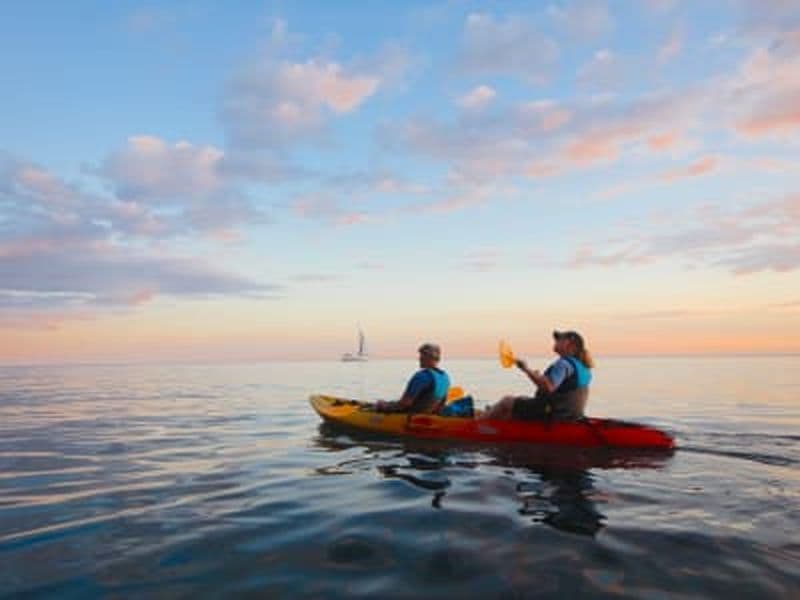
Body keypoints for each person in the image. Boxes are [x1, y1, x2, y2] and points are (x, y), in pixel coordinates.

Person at [482, 330, 594, 421]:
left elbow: (549, 387)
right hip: (572, 416)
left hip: (554, 415)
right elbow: (560, 387)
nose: (556, 340)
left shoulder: (563, 364)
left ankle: (475, 425)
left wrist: (526, 369)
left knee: (506, 401)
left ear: (571, 345)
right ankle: (494, 420)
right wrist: (536, 376)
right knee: (519, 402)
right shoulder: (582, 366)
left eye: (560, 338)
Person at [374, 343, 450, 414]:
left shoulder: (422, 376)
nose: (419, 358)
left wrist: (385, 407)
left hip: (411, 415)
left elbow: (405, 403)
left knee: (380, 404)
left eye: (423, 355)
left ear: (430, 357)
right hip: (429, 414)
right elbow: (441, 405)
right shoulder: (445, 377)